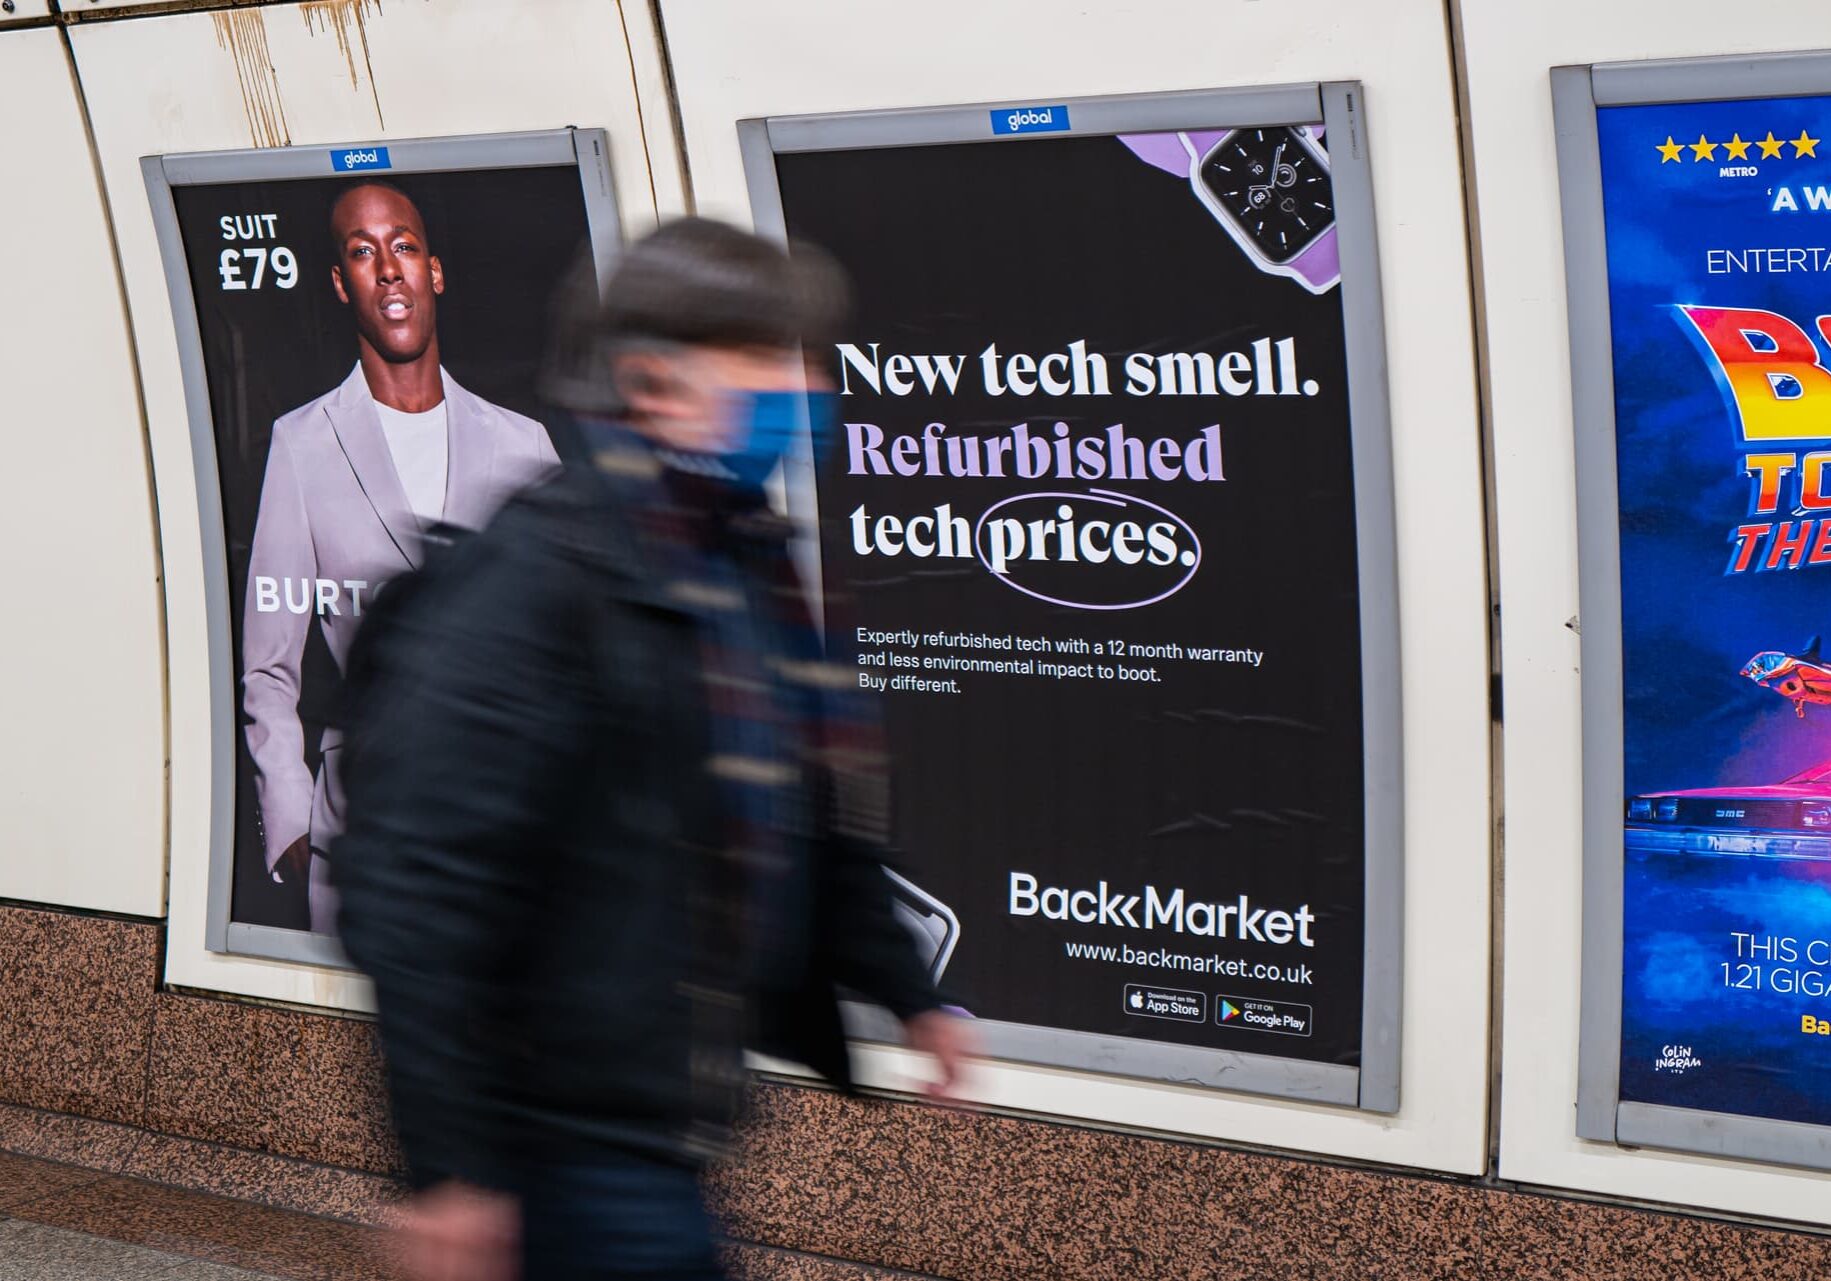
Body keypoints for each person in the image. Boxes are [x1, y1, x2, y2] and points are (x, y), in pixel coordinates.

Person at [332, 218, 972, 1281]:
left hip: (672, 1115)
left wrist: (909, 990)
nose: (806, 388)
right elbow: (418, 879)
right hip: (553, 1133)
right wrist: (448, 1166)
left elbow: (804, 813)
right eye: (767, 360)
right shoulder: (539, 585)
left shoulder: (743, 566)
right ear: (652, 382)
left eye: (808, 359)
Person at [242, 180, 557, 932]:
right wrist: (290, 817)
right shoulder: (302, 444)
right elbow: (268, 663)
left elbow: (564, 653)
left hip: (505, 833)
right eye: (362, 252)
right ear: (341, 284)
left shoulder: (523, 446)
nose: (387, 267)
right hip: (360, 838)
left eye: (404, 246)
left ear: (434, 272)